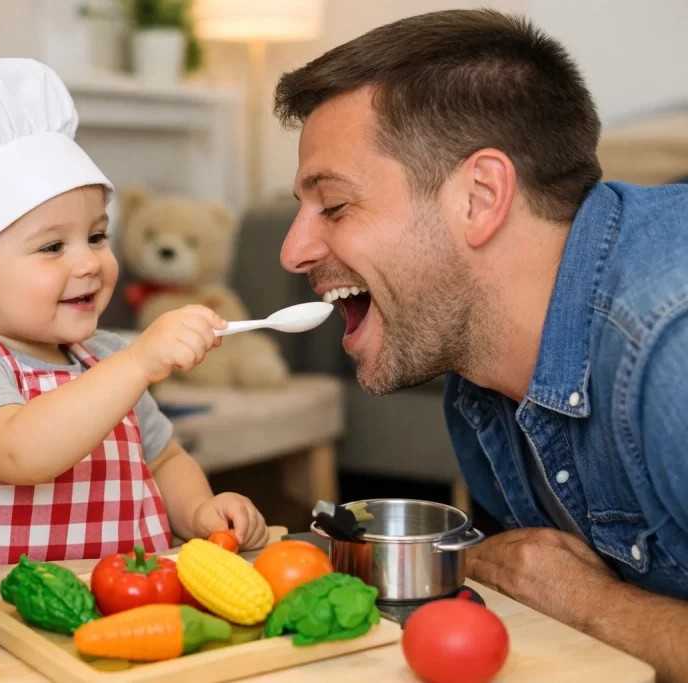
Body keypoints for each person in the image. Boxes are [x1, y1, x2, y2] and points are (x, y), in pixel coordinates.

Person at [273, 8, 688, 681]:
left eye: (335, 205)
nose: (294, 250)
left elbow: (576, 604)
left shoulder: (669, 345)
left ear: (479, 196)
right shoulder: (478, 379)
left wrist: (593, 604)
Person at [0, 58, 268, 580]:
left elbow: (164, 459)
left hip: (126, 608)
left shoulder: (103, 355)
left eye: (97, 236)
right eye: (53, 246)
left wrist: (198, 511)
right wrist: (140, 362)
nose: (88, 262)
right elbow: (22, 450)